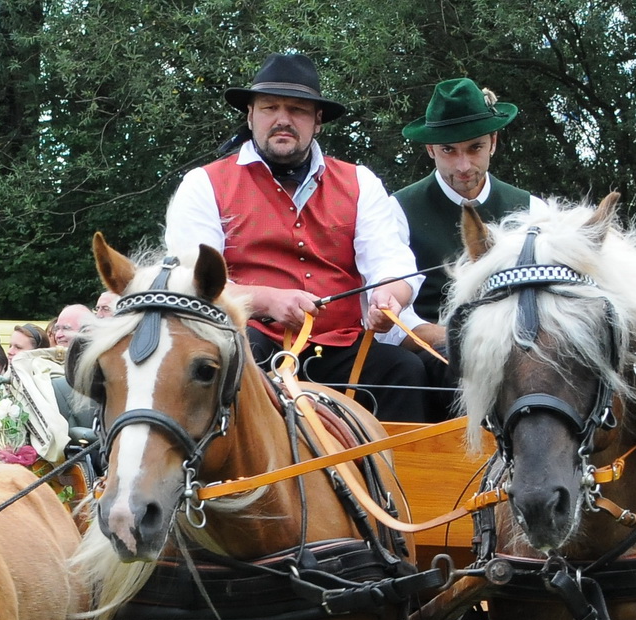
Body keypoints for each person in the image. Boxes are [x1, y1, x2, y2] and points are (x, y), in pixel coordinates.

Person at [163, 53, 429, 419]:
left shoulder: (360, 182)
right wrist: (267, 300)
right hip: (249, 344)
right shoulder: (203, 184)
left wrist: (390, 296)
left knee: (405, 372)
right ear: (250, 115)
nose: (283, 120)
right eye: (270, 107)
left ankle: (397, 477)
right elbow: (193, 283)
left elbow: (393, 265)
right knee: (222, 364)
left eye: (298, 110)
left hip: (343, 351)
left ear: (317, 121)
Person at [392, 78, 543, 388]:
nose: (463, 165)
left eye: (475, 147)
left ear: (494, 142)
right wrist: (461, 341)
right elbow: (393, 316)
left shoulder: (533, 210)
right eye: (449, 150)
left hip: (522, 350)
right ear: (431, 149)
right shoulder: (397, 209)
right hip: (438, 357)